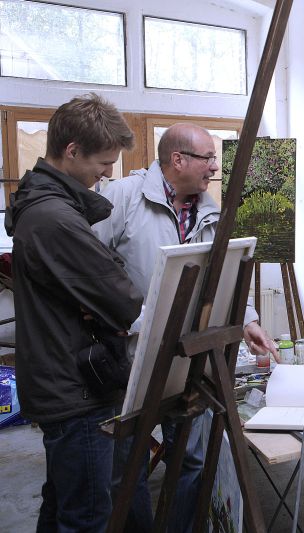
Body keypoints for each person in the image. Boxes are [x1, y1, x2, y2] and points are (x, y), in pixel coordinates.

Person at [93, 122, 278, 532]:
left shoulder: (210, 211)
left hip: (190, 358)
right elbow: (88, 268)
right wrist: (119, 319)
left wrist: (247, 319)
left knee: (191, 459)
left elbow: (222, 275)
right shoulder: (124, 197)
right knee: (128, 464)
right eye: (208, 157)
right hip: (132, 359)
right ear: (178, 160)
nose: (215, 166)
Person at [5, 93, 143, 532]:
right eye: (103, 163)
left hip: (58, 380)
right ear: (71, 151)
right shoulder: (55, 218)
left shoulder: (44, 206)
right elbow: (124, 299)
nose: (108, 174)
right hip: (75, 389)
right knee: (86, 516)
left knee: (63, 505)